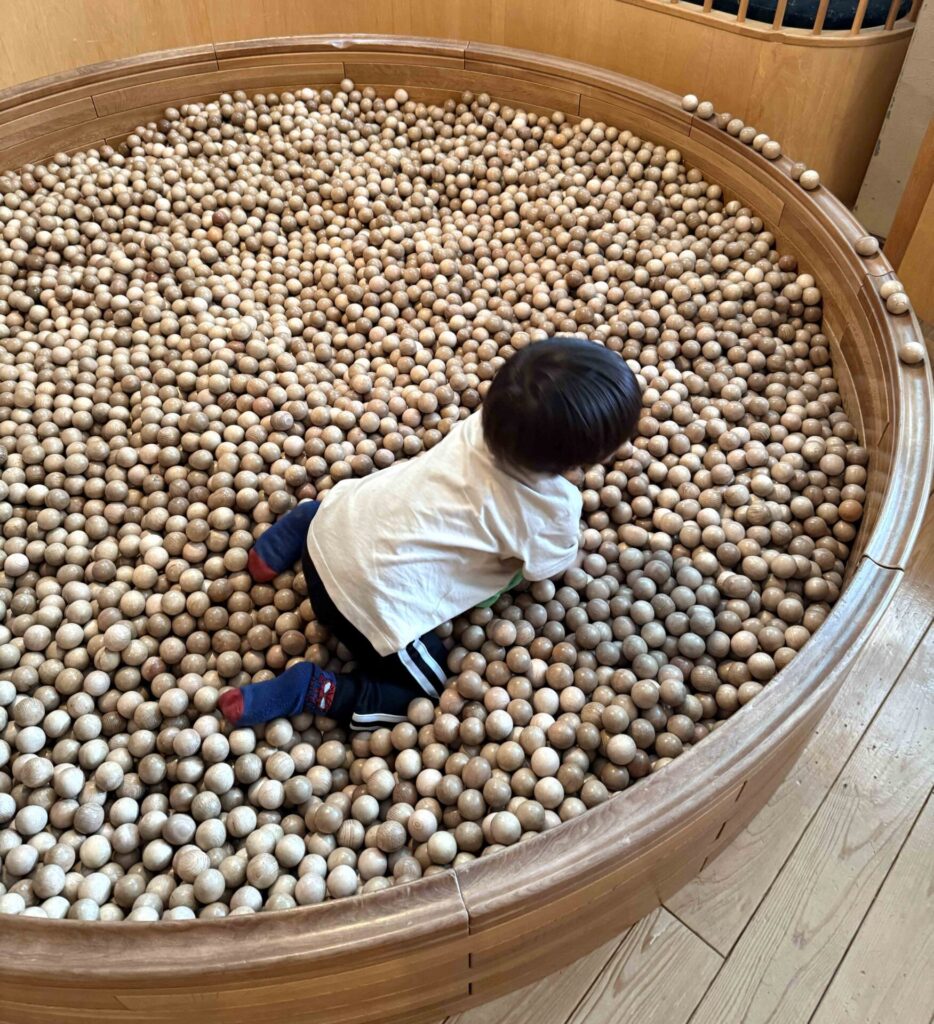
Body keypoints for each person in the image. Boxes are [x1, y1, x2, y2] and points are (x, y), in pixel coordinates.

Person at [217, 336, 641, 730]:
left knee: (370, 502)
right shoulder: (550, 511)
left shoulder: (481, 427)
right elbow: (547, 567)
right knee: (427, 693)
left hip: (330, 528)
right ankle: (317, 690)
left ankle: (300, 522)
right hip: (365, 608)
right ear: (589, 457)